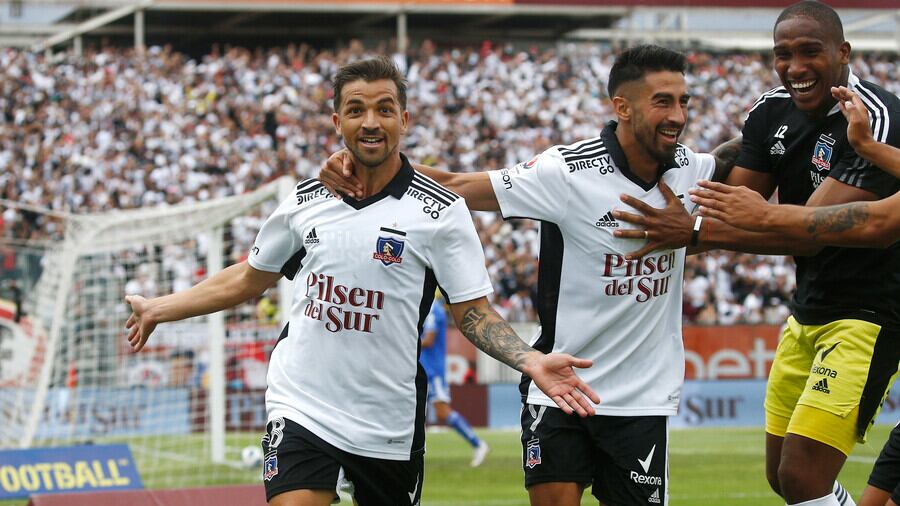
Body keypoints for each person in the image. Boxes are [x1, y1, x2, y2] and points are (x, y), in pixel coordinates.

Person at [125, 56, 599, 506]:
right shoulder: (306, 200)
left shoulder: (441, 212)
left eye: (384, 110)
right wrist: (159, 308)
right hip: (302, 405)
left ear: (404, 120)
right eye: (356, 110)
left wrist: (530, 360)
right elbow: (250, 277)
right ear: (337, 122)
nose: (370, 122)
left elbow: (472, 312)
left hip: (387, 422)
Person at [321, 45, 741, 506]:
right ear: (622, 106)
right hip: (558, 385)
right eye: (663, 101)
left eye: (683, 102)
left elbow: (744, 153)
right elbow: (458, 186)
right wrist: (362, 163)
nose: (677, 115)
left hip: (643, 399)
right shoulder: (567, 171)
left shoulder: (691, 170)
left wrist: (789, 115)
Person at [613, 3, 900, 505]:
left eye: (809, 52)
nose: (795, 66)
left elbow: (809, 231)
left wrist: (695, 233)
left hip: (869, 315)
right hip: (807, 310)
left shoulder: (873, 118)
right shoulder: (770, 111)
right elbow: (734, 207)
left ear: (843, 53)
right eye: (782, 54)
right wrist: (685, 222)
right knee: (780, 476)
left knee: (802, 477)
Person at [689, 85, 900, 247]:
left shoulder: (882, 114)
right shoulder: (772, 106)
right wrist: (868, 146)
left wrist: (765, 215)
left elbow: (878, 224)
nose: (796, 68)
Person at [419, 291, 491, 467]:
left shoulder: (433, 309)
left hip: (432, 370)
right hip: (423, 368)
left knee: (442, 411)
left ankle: (478, 443)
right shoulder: (427, 308)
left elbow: (429, 340)